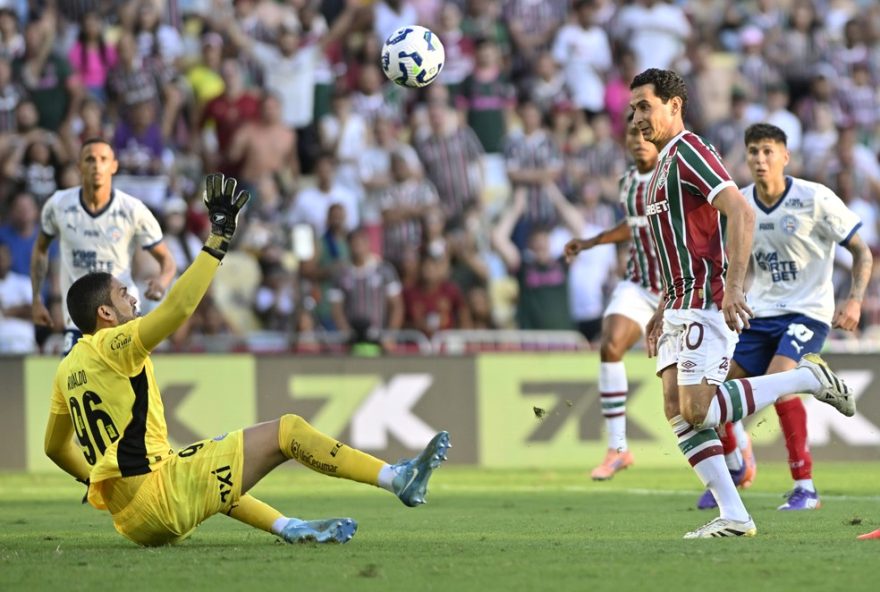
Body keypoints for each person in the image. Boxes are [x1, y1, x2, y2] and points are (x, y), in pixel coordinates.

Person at [42, 173, 451, 547]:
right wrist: (217, 240)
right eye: (122, 294)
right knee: (287, 430)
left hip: (133, 520)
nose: (132, 297)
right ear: (105, 314)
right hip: (161, 494)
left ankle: (289, 526)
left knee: (209, 466)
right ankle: (396, 478)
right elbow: (178, 308)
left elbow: (54, 448)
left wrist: (94, 478)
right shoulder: (114, 344)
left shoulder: (67, 368)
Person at [630, 69, 854, 539]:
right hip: (677, 302)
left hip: (704, 299)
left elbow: (741, 211)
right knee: (677, 411)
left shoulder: (690, 150)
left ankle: (805, 378)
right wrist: (661, 308)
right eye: (633, 109)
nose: (637, 118)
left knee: (697, 410)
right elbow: (679, 244)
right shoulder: (662, 166)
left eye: (645, 106)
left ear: (674, 105)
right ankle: (734, 515)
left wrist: (733, 286)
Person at [695, 123, 872, 511]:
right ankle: (736, 466)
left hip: (808, 312)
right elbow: (731, 263)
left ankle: (805, 487)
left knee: (780, 380)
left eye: (768, 151)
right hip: (760, 313)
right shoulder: (740, 205)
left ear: (785, 156)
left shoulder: (814, 198)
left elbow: (862, 251)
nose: (760, 159)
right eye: (753, 152)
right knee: (713, 394)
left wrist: (855, 300)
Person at [563, 115, 662, 480]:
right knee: (610, 345)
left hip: (679, 289)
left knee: (692, 398)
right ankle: (618, 448)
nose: (638, 140)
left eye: (645, 134)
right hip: (638, 283)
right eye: (633, 135)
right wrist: (592, 241)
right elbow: (634, 225)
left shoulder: (676, 178)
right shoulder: (627, 181)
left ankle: (738, 446)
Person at [30, 138, 176, 354]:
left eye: (103, 159)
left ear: (114, 166)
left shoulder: (133, 209)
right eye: (90, 159)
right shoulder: (58, 204)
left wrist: (162, 283)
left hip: (123, 320)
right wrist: (37, 299)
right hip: (79, 320)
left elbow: (167, 260)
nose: (97, 165)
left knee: (125, 375)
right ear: (79, 166)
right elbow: (40, 250)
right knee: (75, 376)